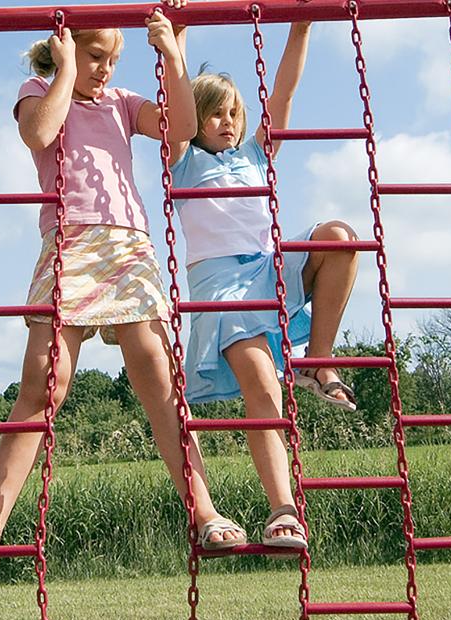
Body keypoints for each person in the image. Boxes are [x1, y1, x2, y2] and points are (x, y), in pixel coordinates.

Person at [0, 7, 251, 567]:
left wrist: (173, 54)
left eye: (113, 59)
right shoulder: (38, 89)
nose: (104, 69)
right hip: (69, 242)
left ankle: (204, 511)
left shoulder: (124, 103)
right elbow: (39, 132)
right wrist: (62, 72)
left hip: (127, 244)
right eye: (94, 56)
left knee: (157, 375)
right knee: (44, 382)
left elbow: (181, 128)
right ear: (65, 49)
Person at [166, 21, 359, 548]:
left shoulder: (255, 154)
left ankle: (318, 361)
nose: (227, 122)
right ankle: (283, 511)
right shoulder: (182, 162)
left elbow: (286, 88)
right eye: (215, 113)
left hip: (269, 268)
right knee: (263, 386)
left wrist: (301, 26)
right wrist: (175, 37)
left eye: (234, 113)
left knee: (340, 238)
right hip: (221, 288)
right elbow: (172, 95)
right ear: (195, 118)